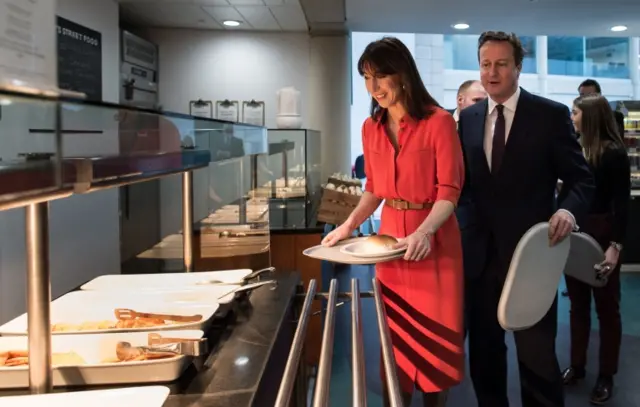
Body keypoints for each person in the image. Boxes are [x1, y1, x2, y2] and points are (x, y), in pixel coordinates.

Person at [322, 36, 464, 407]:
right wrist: (347, 225)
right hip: (389, 241)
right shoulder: (372, 128)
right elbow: (375, 189)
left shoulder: (439, 122)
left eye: (380, 77)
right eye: (367, 78)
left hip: (434, 239)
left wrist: (424, 232)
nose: (374, 88)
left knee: (435, 338)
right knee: (395, 337)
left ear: (402, 75)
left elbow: (449, 190)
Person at [457, 31, 595, 407]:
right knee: (484, 355)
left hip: (532, 257)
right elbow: (462, 186)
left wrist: (567, 209)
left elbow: (582, 179)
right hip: (480, 258)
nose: (492, 73)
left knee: (537, 357)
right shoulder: (467, 119)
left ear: (518, 67)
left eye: (501, 64)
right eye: (486, 64)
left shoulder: (549, 115)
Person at [561, 94, 630, 404]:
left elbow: (622, 205)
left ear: (588, 116)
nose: (572, 117)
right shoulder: (573, 149)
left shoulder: (614, 155)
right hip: (575, 235)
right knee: (577, 305)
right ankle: (577, 366)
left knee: (607, 309)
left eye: (575, 112)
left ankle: (606, 374)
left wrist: (615, 246)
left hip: (602, 237)